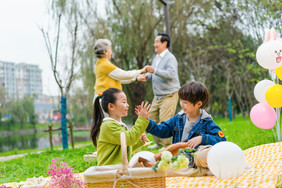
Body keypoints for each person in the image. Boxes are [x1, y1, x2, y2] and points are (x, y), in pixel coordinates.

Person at [144, 81, 226, 173]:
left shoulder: (207, 122)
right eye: (181, 101)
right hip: (176, 160)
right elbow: (162, 130)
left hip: (194, 162)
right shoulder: (178, 118)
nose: (181, 104)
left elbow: (222, 141)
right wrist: (147, 121)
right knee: (159, 159)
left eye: (185, 102)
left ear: (199, 104)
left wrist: (202, 138)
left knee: (204, 158)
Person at [139, 33, 180, 149]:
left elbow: (171, 74)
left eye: (157, 42)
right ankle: (158, 143)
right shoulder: (156, 58)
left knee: (165, 120)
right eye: (155, 42)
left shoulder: (170, 58)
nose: (154, 44)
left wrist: (155, 70)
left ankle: (167, 146)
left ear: (164, 43)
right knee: (149, 118)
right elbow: (154, 74)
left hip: (169, 95)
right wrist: (146, 76)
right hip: (157, 96)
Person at [90, 88, 151, 166]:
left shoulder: (118, 124)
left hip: (118, 169)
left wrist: (139, 142)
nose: (127, 105)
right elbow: (129, 139)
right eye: (124, 102)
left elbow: (124, 146)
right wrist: (141, 120)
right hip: (108, 171)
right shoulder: (108, 125)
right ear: (111, 106)